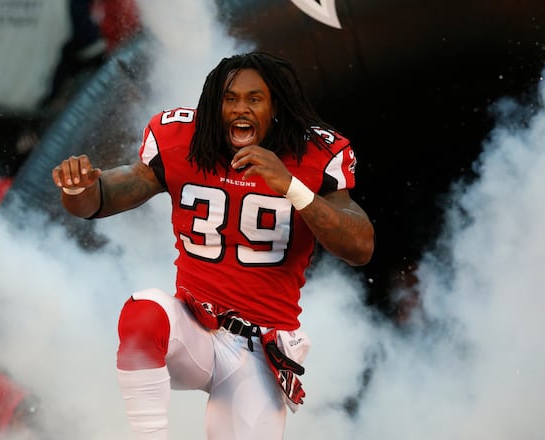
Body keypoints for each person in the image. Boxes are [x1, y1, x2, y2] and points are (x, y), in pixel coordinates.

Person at [51, 52, 375, 438]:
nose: (240, 108)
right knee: (143, 314)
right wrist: (78, 189)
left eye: (254, 99)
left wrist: (290, 185)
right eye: (230, 98)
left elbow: (360, 248)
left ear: (275, 108)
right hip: (194, 328)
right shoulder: (181, 140)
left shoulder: (315, 155)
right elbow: (102, 198)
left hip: (258, 348)